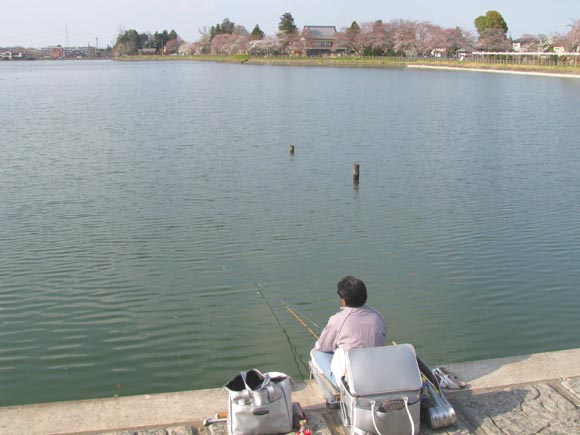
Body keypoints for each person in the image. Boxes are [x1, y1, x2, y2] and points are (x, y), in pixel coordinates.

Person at [311, 276, 387, 388]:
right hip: (376, 371)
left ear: (344, 300)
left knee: (316, 353)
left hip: (351, 382)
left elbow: (322, 347)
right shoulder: (378, 316)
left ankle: (338, 384)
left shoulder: (337, 320)